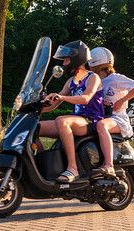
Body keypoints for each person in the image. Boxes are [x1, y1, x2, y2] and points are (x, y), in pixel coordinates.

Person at [39, 40, 103, 183]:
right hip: (77, 120)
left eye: (67, 60)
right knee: (34, 127)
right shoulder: (71, 81)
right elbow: (54, 104)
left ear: (77, 58)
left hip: (91, 120)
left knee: (62, 120)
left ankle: (73, 168)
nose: (64, 63)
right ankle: (43, 163)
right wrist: (38, 107)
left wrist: (62, 96)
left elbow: (86, 98)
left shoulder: (93, 77)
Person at [86, 47, 134, 177]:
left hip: (118, 118)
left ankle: (109, 165)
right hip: (105, 116)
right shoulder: (96, 80)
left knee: (101, 126)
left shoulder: (115, 78)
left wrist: (122, 100)